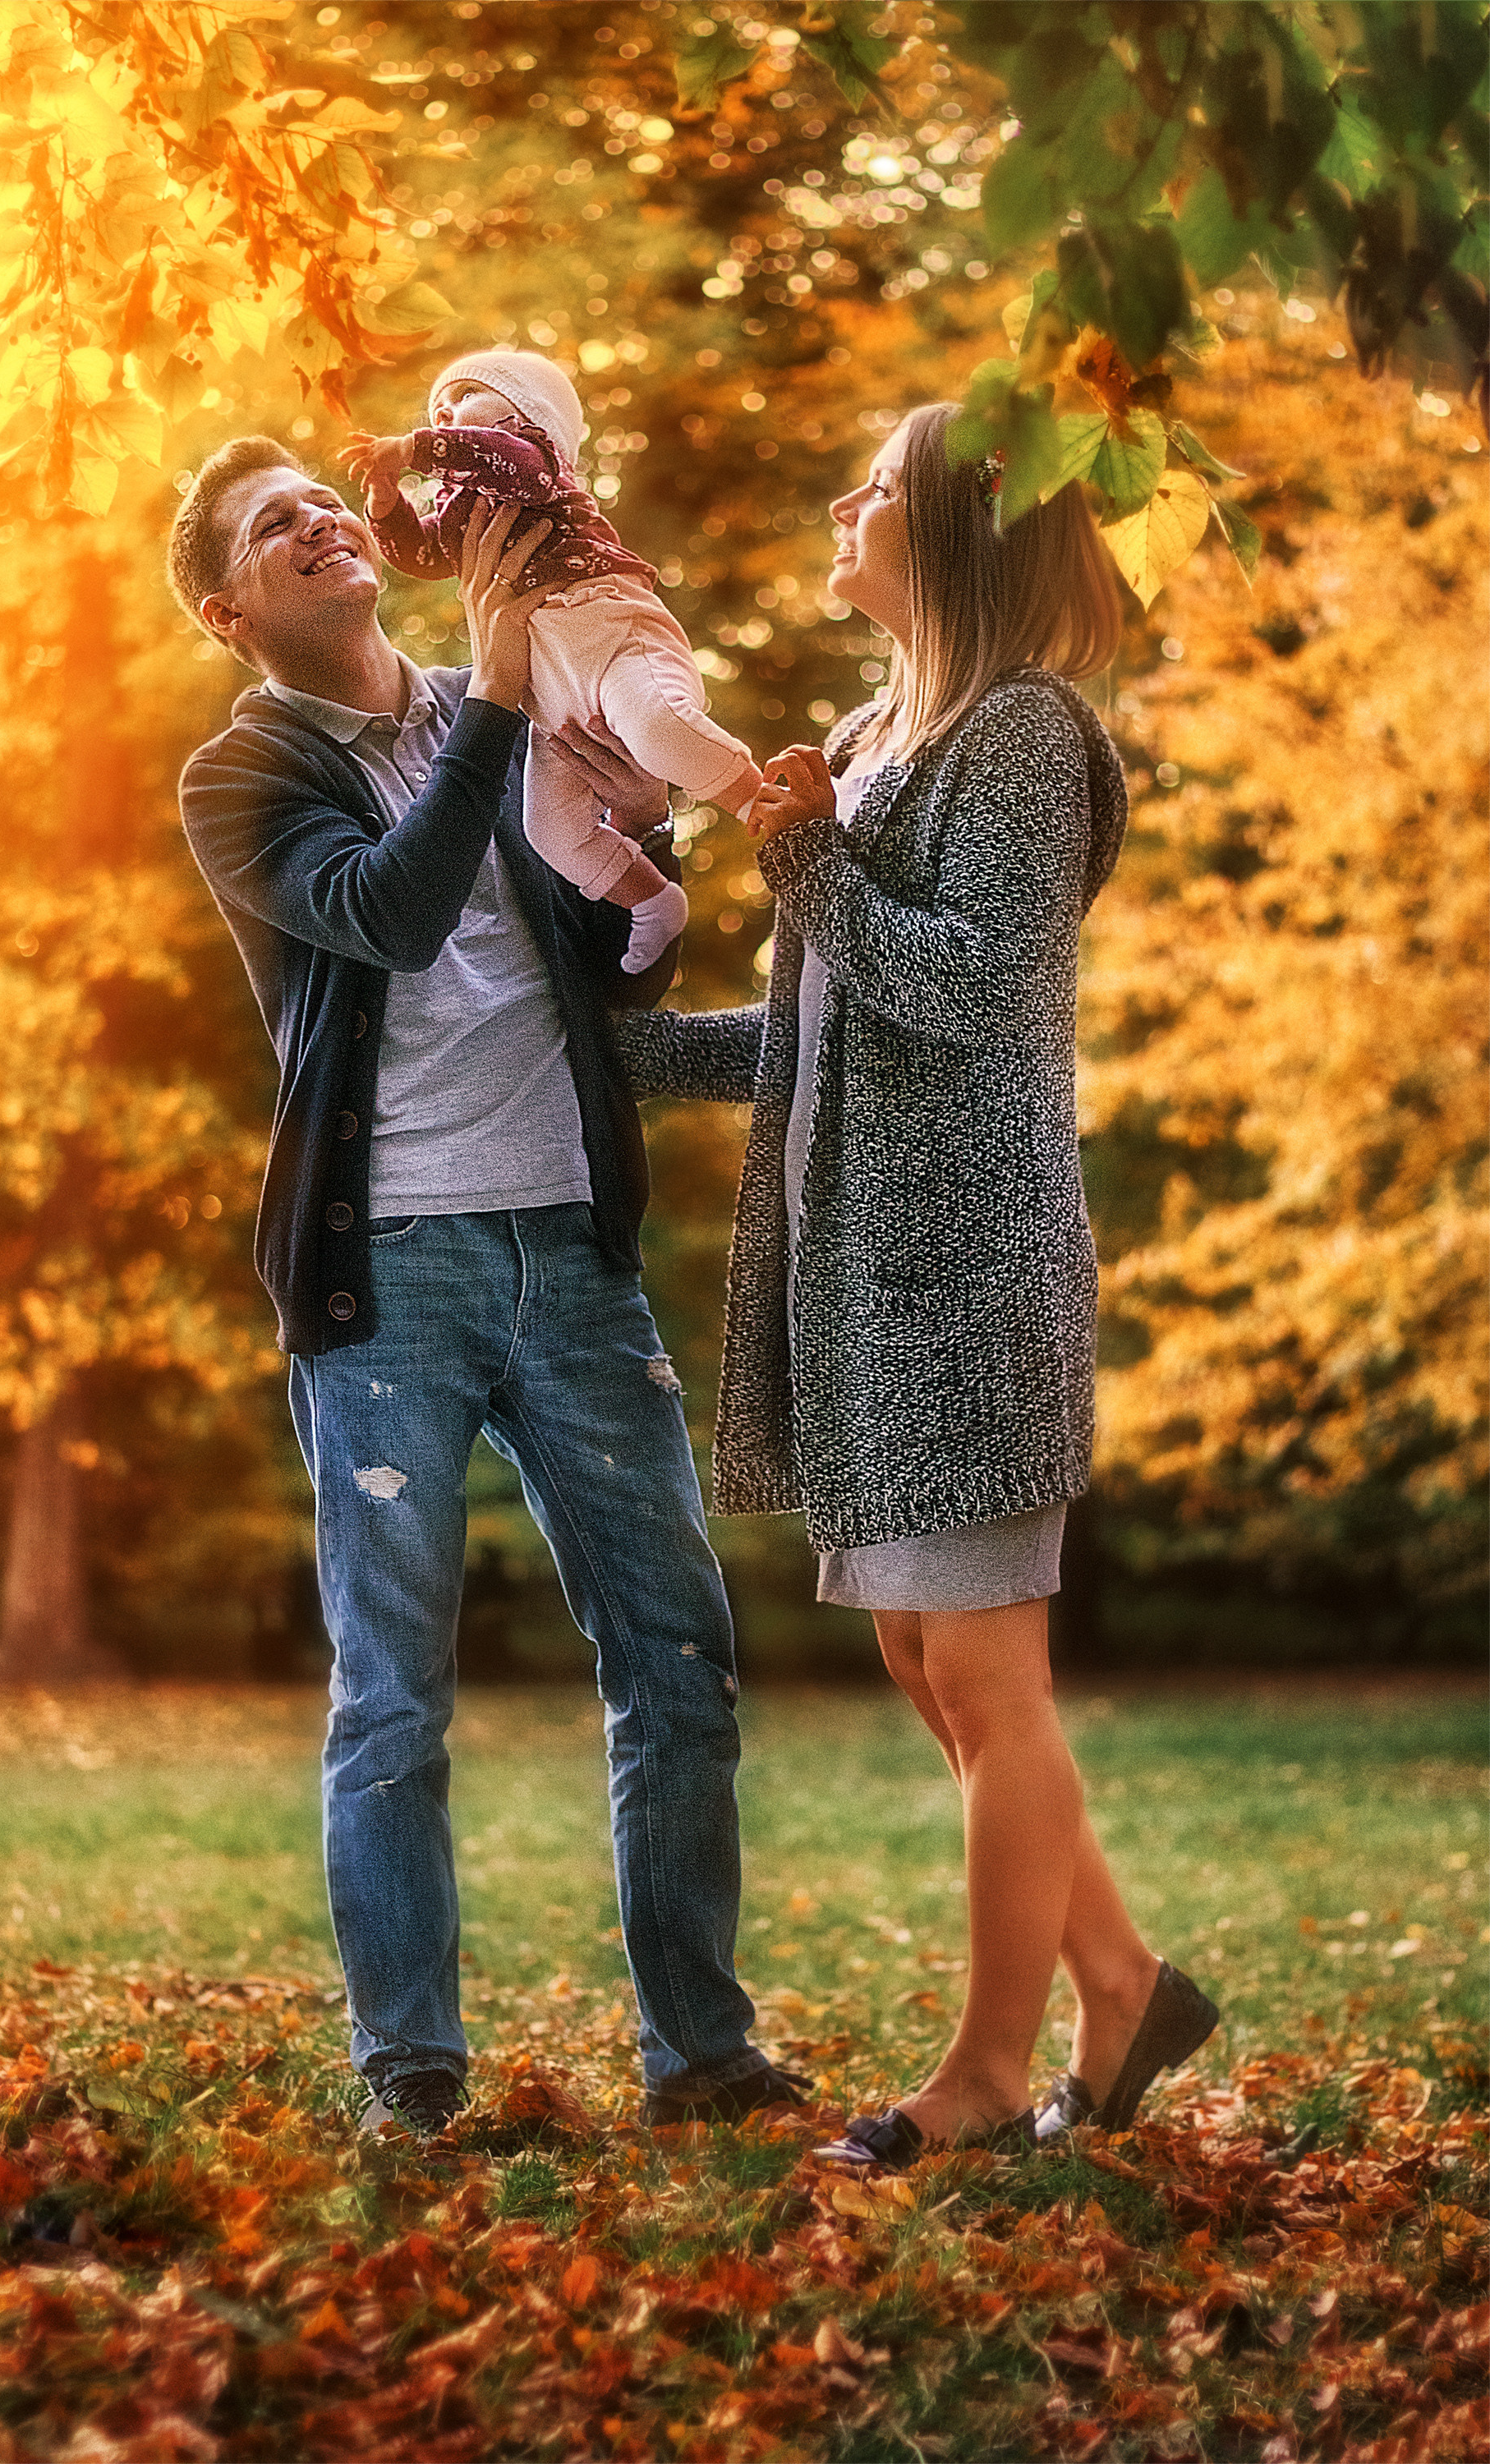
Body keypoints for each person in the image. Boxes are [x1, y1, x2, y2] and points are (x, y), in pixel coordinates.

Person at [168, 434, 805, 2139]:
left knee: (679, 1655)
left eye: (323, 499)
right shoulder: (243, 776)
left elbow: (595, 974)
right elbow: (388, 912)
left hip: (572, 1255)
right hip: (390, 1271)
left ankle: (702, 2059)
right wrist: (505, 705)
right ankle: (414, 2079)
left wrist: (641, 854)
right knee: (394, 1693)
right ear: (231, 611)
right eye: (273, 527)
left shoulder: (496, 713)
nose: (321, 520)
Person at [615, 404, 1220, 2161]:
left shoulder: (1022, 736)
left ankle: (983, 2076)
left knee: (986, 1674)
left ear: (956, 531)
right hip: (867, 1284)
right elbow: (820, 1034)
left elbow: (965, 986)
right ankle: (1124, 1987)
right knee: (922, 1656)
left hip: (969, 1274)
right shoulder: (881, 739)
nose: (840, 498)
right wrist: (611, 1051)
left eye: (872, 485)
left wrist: (804, 858)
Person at [341, 350, 764, 977]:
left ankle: (762, 802)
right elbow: (422, 555)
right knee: (551, 830)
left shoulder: (535, 461)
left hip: (609, 631)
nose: (446, 414)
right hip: (550, 693)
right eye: (438, 410)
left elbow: (506, 462)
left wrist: (416, 448)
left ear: (527, 413)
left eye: (464, 398)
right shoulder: (460, 506)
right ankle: (651, 900)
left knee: (658, 728)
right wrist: (384, 500)